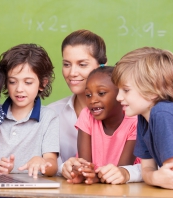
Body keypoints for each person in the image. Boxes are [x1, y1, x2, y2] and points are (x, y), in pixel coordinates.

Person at [47, 29, 142, 184]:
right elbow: (46, 163)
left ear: (101, 65)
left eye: (82, 64)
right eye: (66, 64)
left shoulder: (133, 116)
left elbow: (132, 168)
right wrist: (63, 167)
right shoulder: (52, 113)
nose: (72, 73)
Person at [112, 46, 173, 196]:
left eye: (126, 90)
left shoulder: (162, 114)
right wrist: (155, 177)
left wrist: (155, 177)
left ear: (151, 91)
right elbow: (147, 170)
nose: (118, 97)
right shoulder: (144, 118)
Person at [0, 44, 59, 178]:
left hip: (34, 189)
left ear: (42, 84)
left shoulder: (49, 117)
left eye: (28, 82)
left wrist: (42, 162)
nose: (19, 89)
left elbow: (52, 164)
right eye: (12, 82)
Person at [72, 66, 139, 184]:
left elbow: (121, 171)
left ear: (120, 95)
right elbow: (85, 165)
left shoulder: (134, 122)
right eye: (88, 95)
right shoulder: (87, 115)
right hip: (92, 187)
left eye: (101, 93)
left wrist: (95, 176)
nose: (93, 100)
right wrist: (84, 172)